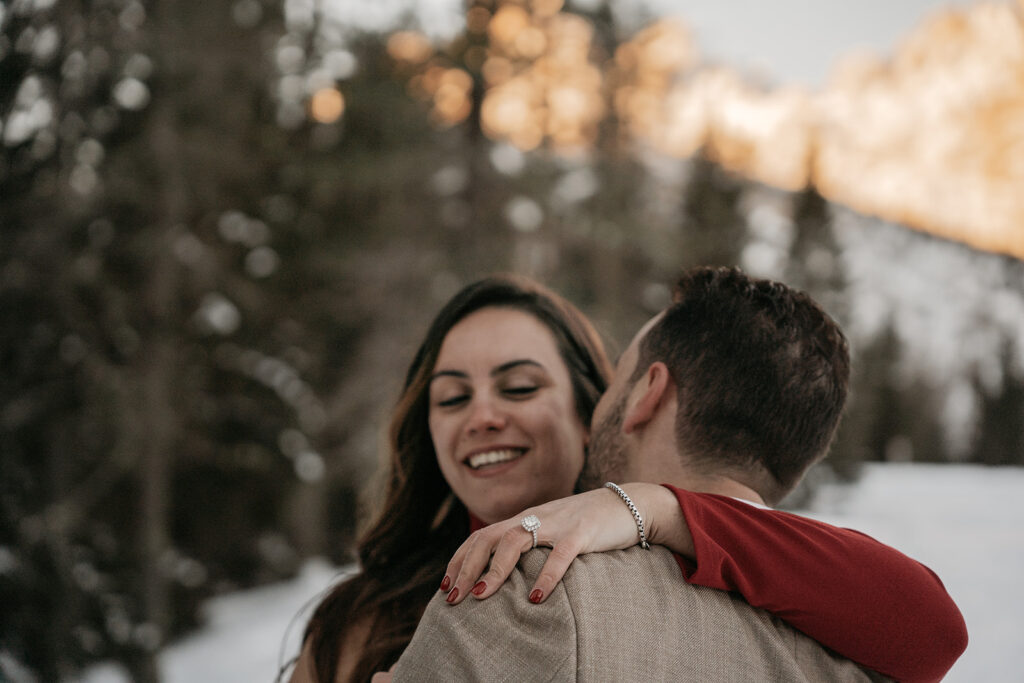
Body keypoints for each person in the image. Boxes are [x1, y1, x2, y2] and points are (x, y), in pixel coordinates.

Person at [289, 272, 966, 683]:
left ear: (600, 408)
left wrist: (662, 507)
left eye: (520, 386)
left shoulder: (609, 579)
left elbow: (929, 622)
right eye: (452, 396)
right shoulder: (356, 618)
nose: (483, 416)